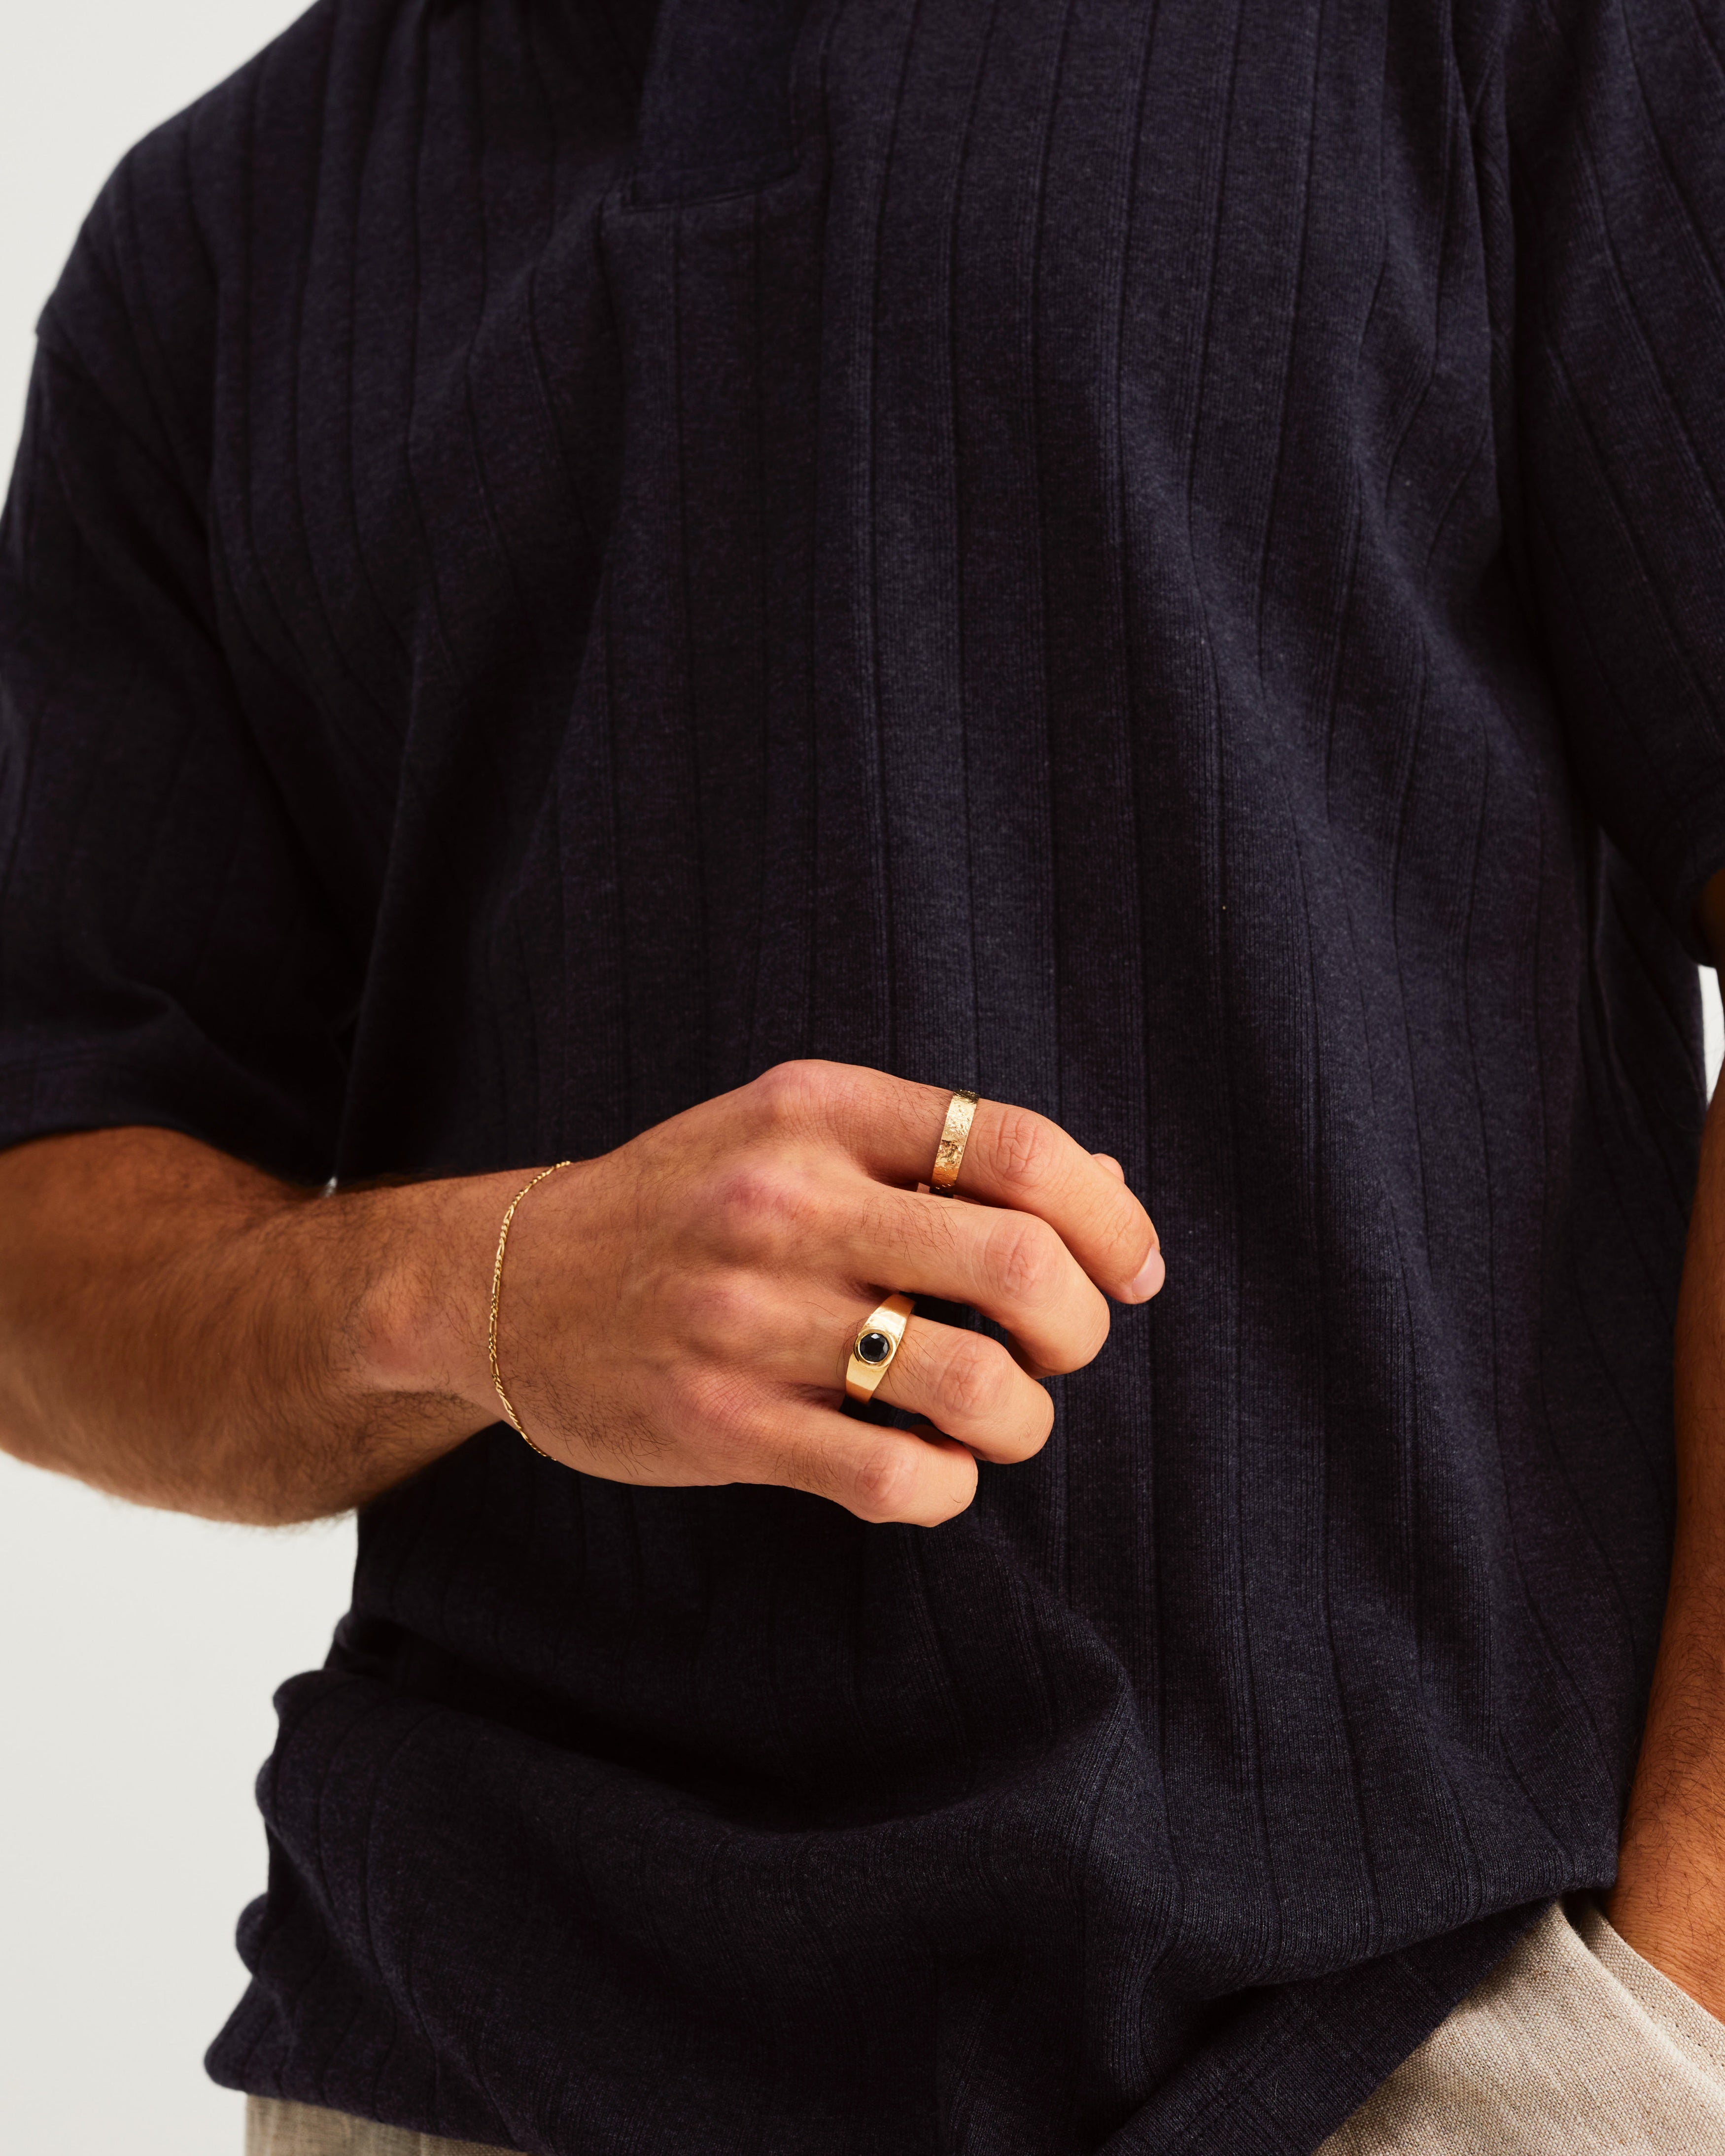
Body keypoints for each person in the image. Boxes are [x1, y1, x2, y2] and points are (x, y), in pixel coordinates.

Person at [5, 0, 1725, 2149]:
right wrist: (488, 1286)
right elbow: (43, 1210)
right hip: (473, 2049)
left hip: (1422, 2034)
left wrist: (1667, 2007)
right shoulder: (210, 238)